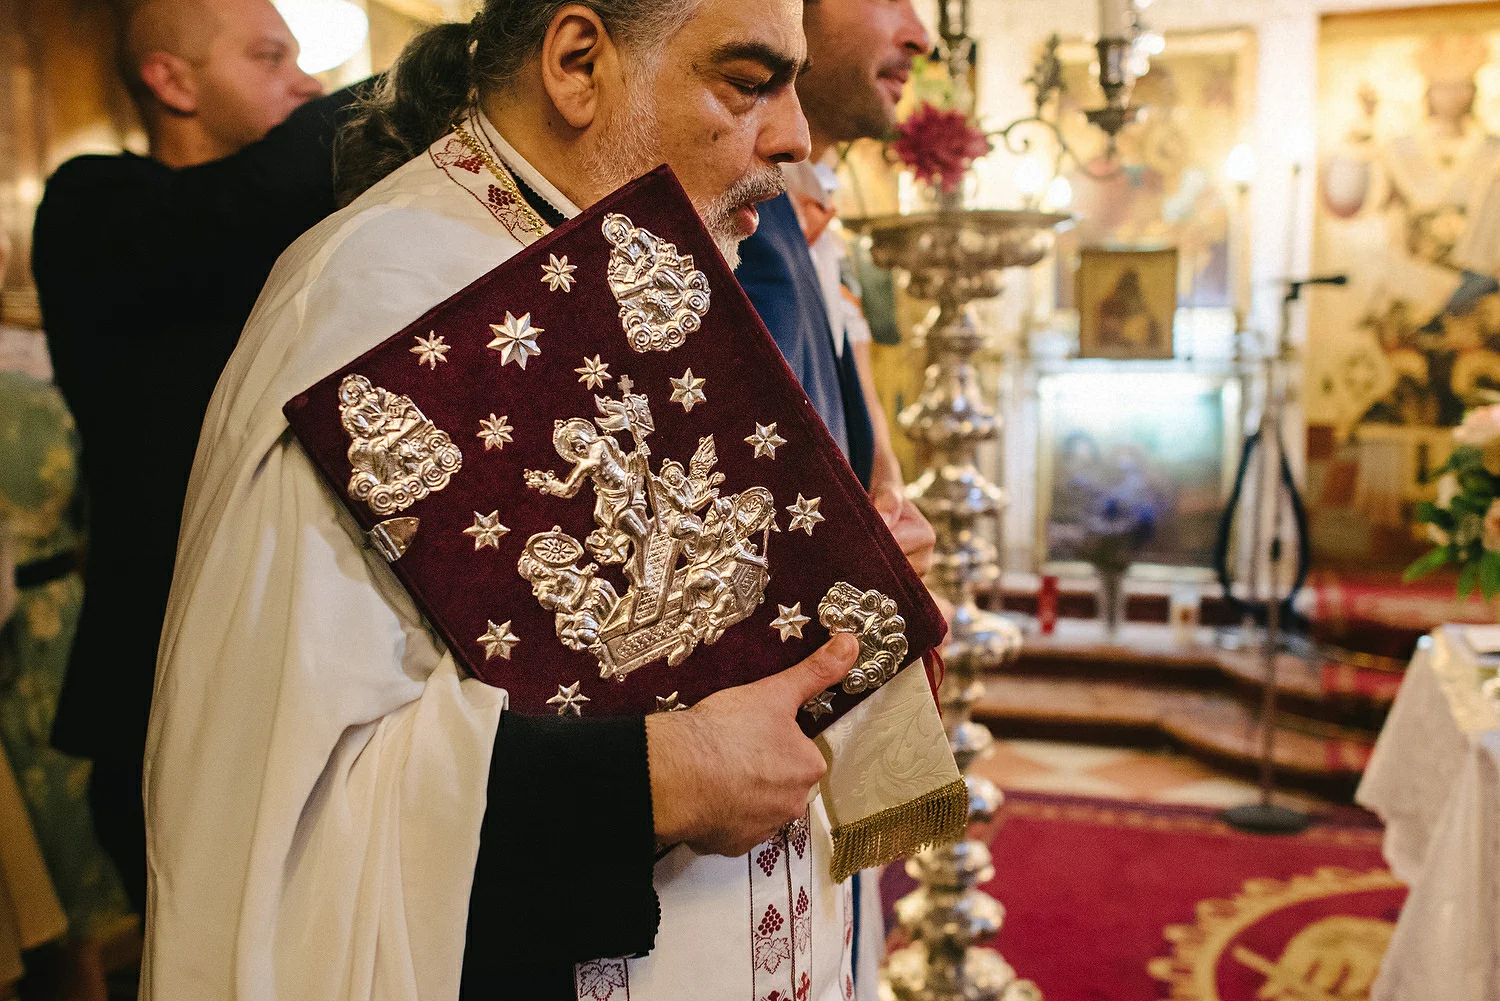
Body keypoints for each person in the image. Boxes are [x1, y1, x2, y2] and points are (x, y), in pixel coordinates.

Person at [144, 2, 954, 1000]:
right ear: (577, 64)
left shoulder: (633, 260)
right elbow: (287, 818)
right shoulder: (379, 301)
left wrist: (840, 574)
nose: (790, 138)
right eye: (747, 84)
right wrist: (656, 781)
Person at [30, 0, 360, 915]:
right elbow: (231, 207)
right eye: (268, 57)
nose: (306, 81)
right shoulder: (94, 205)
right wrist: (424, 83)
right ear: (172, 81)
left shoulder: (310, 231)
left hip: (318, 675)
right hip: (165, 689)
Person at [734, 5, 932, 989]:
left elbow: (838, 398)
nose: (922, 35)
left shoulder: (803, 197)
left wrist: (883, 489)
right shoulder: (738, 203)